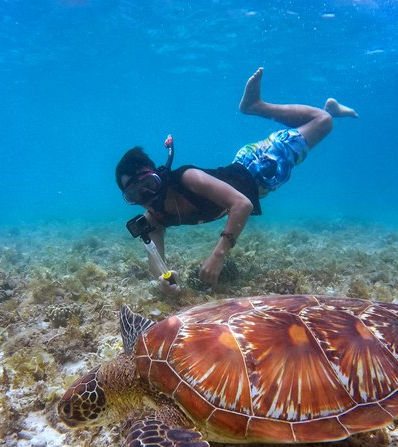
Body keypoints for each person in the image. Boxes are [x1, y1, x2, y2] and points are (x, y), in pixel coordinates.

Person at [115, 67, 357, 293]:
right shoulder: (154, 218)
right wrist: (164, 280)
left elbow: (242, 204)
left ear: (158, 174)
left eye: (149, 185)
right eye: (135, 195)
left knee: (322, 123)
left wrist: (218, 255)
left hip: (261, 166)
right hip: (248, 170)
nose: (147, 197)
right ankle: (331, 109)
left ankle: (256, 106)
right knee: (317, 125)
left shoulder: (187, 178)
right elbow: (155, 259)